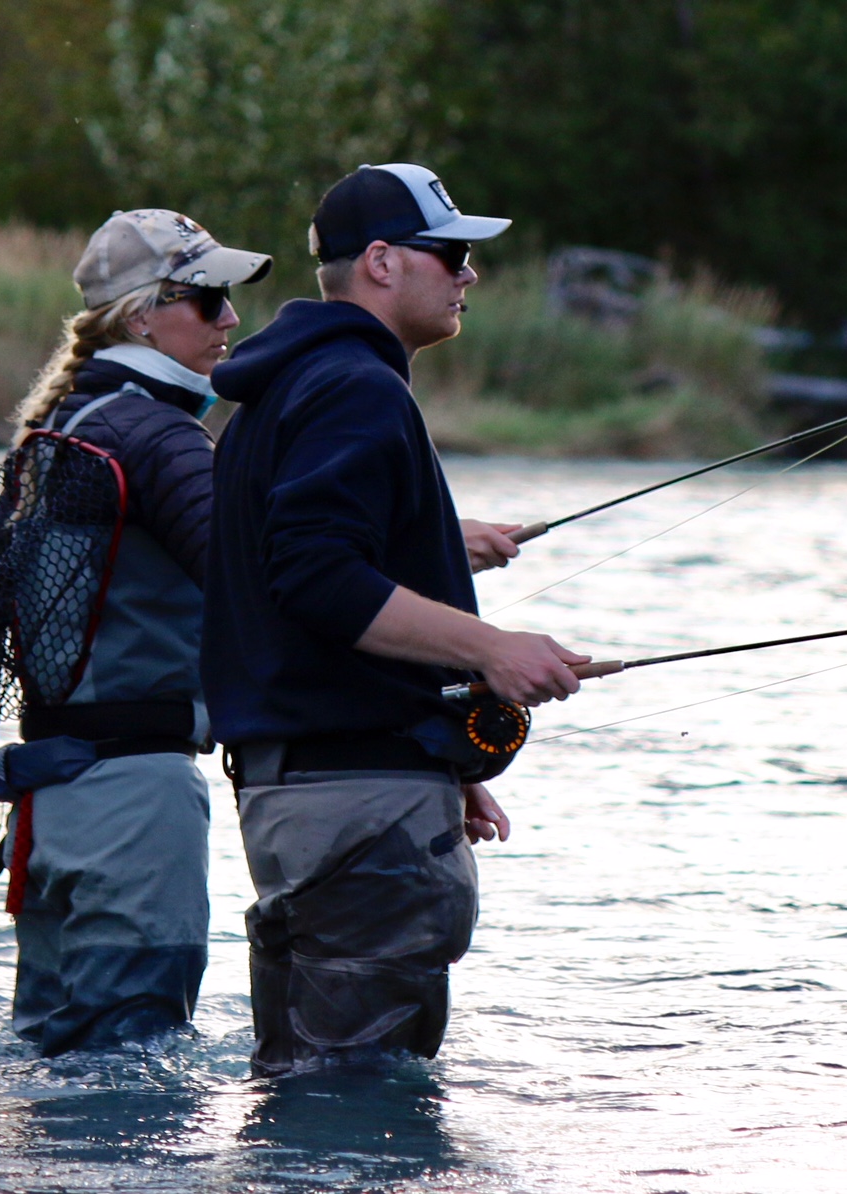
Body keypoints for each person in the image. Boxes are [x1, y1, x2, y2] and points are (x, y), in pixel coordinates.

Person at [204, 163, 589, 1077]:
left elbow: (290, 582)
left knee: (301, 1094)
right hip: (360, 815)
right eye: (450, 253)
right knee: (359, 1116)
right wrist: (494, 649)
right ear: (380, 262)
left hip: (303, 793)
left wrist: (435, 756)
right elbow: (318, 578)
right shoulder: (356, 387)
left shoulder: (274, 391)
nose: (469, 274)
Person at [0, 209, 272, 1055]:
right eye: (208, 298)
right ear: (141, 316)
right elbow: (255, 581)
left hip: (48, 805)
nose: (231, 319)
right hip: (137, 807)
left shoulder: (61, 432)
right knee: (134, 1077)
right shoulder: (160, 436)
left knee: (54, 1067)